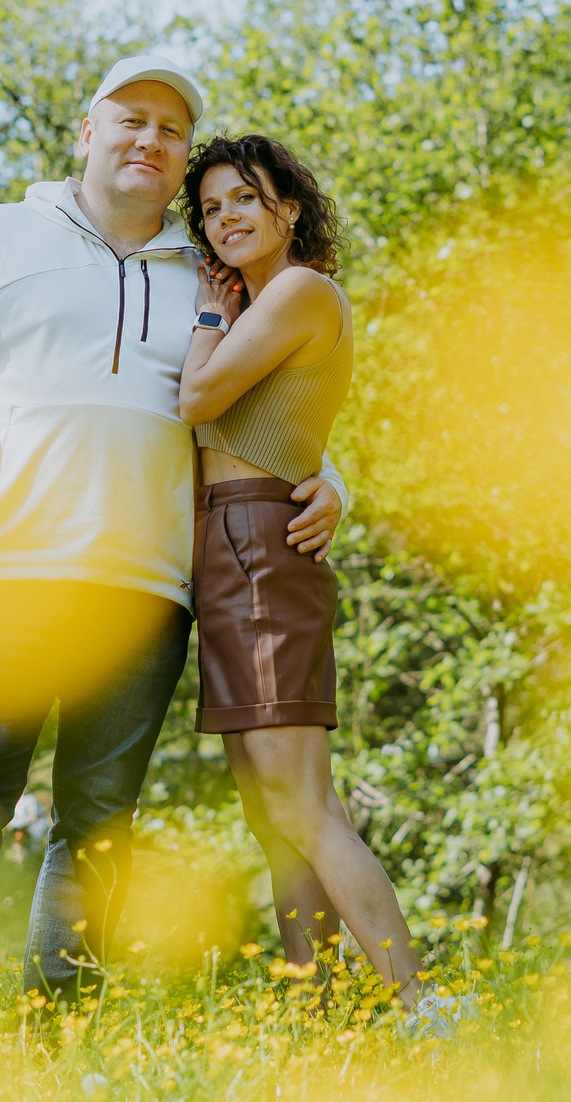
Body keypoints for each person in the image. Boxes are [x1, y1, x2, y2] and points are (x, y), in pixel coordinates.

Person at [0, 55, 348, 1006]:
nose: (149, 141)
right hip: (2, 574)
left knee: (97, 823)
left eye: (170, 129)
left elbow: (280, 401)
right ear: (89, 133)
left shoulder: (215, 275)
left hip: (146, 590)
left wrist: (335, 483)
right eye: (131, 120)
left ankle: (53, 1036)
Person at [179, 134, 448, 1023]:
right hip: (227, 544)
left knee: (305, 802)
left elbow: (198, 400)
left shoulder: (296, 290)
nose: (227, 219)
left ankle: (422, 1005)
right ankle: (321, 1020)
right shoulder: (267, 304)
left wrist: (209, 319)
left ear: (290, 207)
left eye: (245, 198)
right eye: (212, 208)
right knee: (276, 811)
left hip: (257, 542)